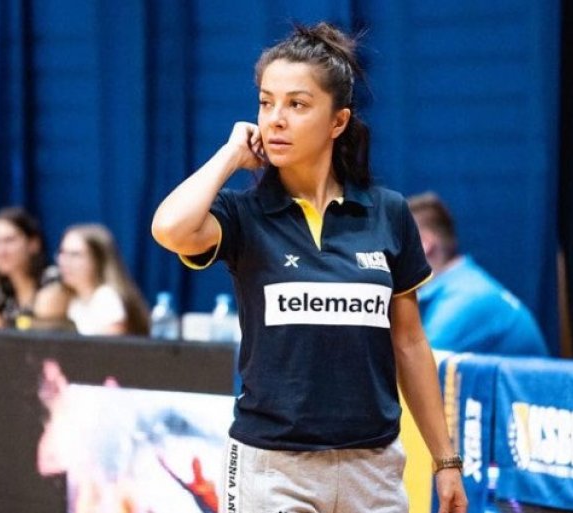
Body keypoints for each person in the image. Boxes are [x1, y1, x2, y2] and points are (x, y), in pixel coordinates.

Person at [151, 22, 467, 513]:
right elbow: (170, 228)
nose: (276, 119)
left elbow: (409, 343)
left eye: (297, 105)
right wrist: (231, 155)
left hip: (373, 469)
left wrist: (445, 461)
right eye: (266, 103)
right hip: (272, 467)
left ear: (338, 121)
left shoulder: (388, 213)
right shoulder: (243, 214)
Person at [407, 192, 549, 356]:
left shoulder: (464, 298)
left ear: (424, 243)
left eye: (394, 242)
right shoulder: (461, 285)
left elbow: (414, 367)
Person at [0, 206, 69, 330]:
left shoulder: (53, 281)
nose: (0, 251)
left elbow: (41, 337)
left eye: (9, 240)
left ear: (33, 244)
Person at [56, 224, 149, 336]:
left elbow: (111, 346)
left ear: (97, 259)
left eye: (75, 255)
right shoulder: (72, 301)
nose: (64, 262)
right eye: (62, 252)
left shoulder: (107, 298)